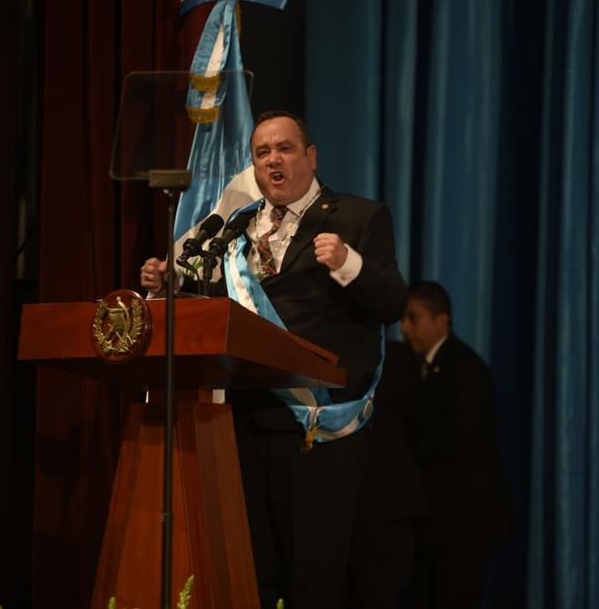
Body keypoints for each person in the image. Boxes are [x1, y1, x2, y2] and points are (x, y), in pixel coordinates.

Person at [140, 111, 407, 609]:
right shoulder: (233, 227)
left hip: (317, 423)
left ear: (310, 157)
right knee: (252, 571)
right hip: (243, 417)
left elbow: (392, 303)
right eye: (262, 153)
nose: (272, 160)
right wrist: (170, 286)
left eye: (284, 148)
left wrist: (349, 263)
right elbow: (218, 307)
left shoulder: (356, 217)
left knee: (313, 575)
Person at [399, 282, 512, 609]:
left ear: (441, 320)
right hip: (437, 524)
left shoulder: (466, 369)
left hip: (464, 525)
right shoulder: (417, 367)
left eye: (413, 318)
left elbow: (457, 440)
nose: (405, 329)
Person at [346, 339, 426, 609]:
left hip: (353, 498)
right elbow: (419, 423)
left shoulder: (333, 347)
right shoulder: (397, 356)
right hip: (389, 502)